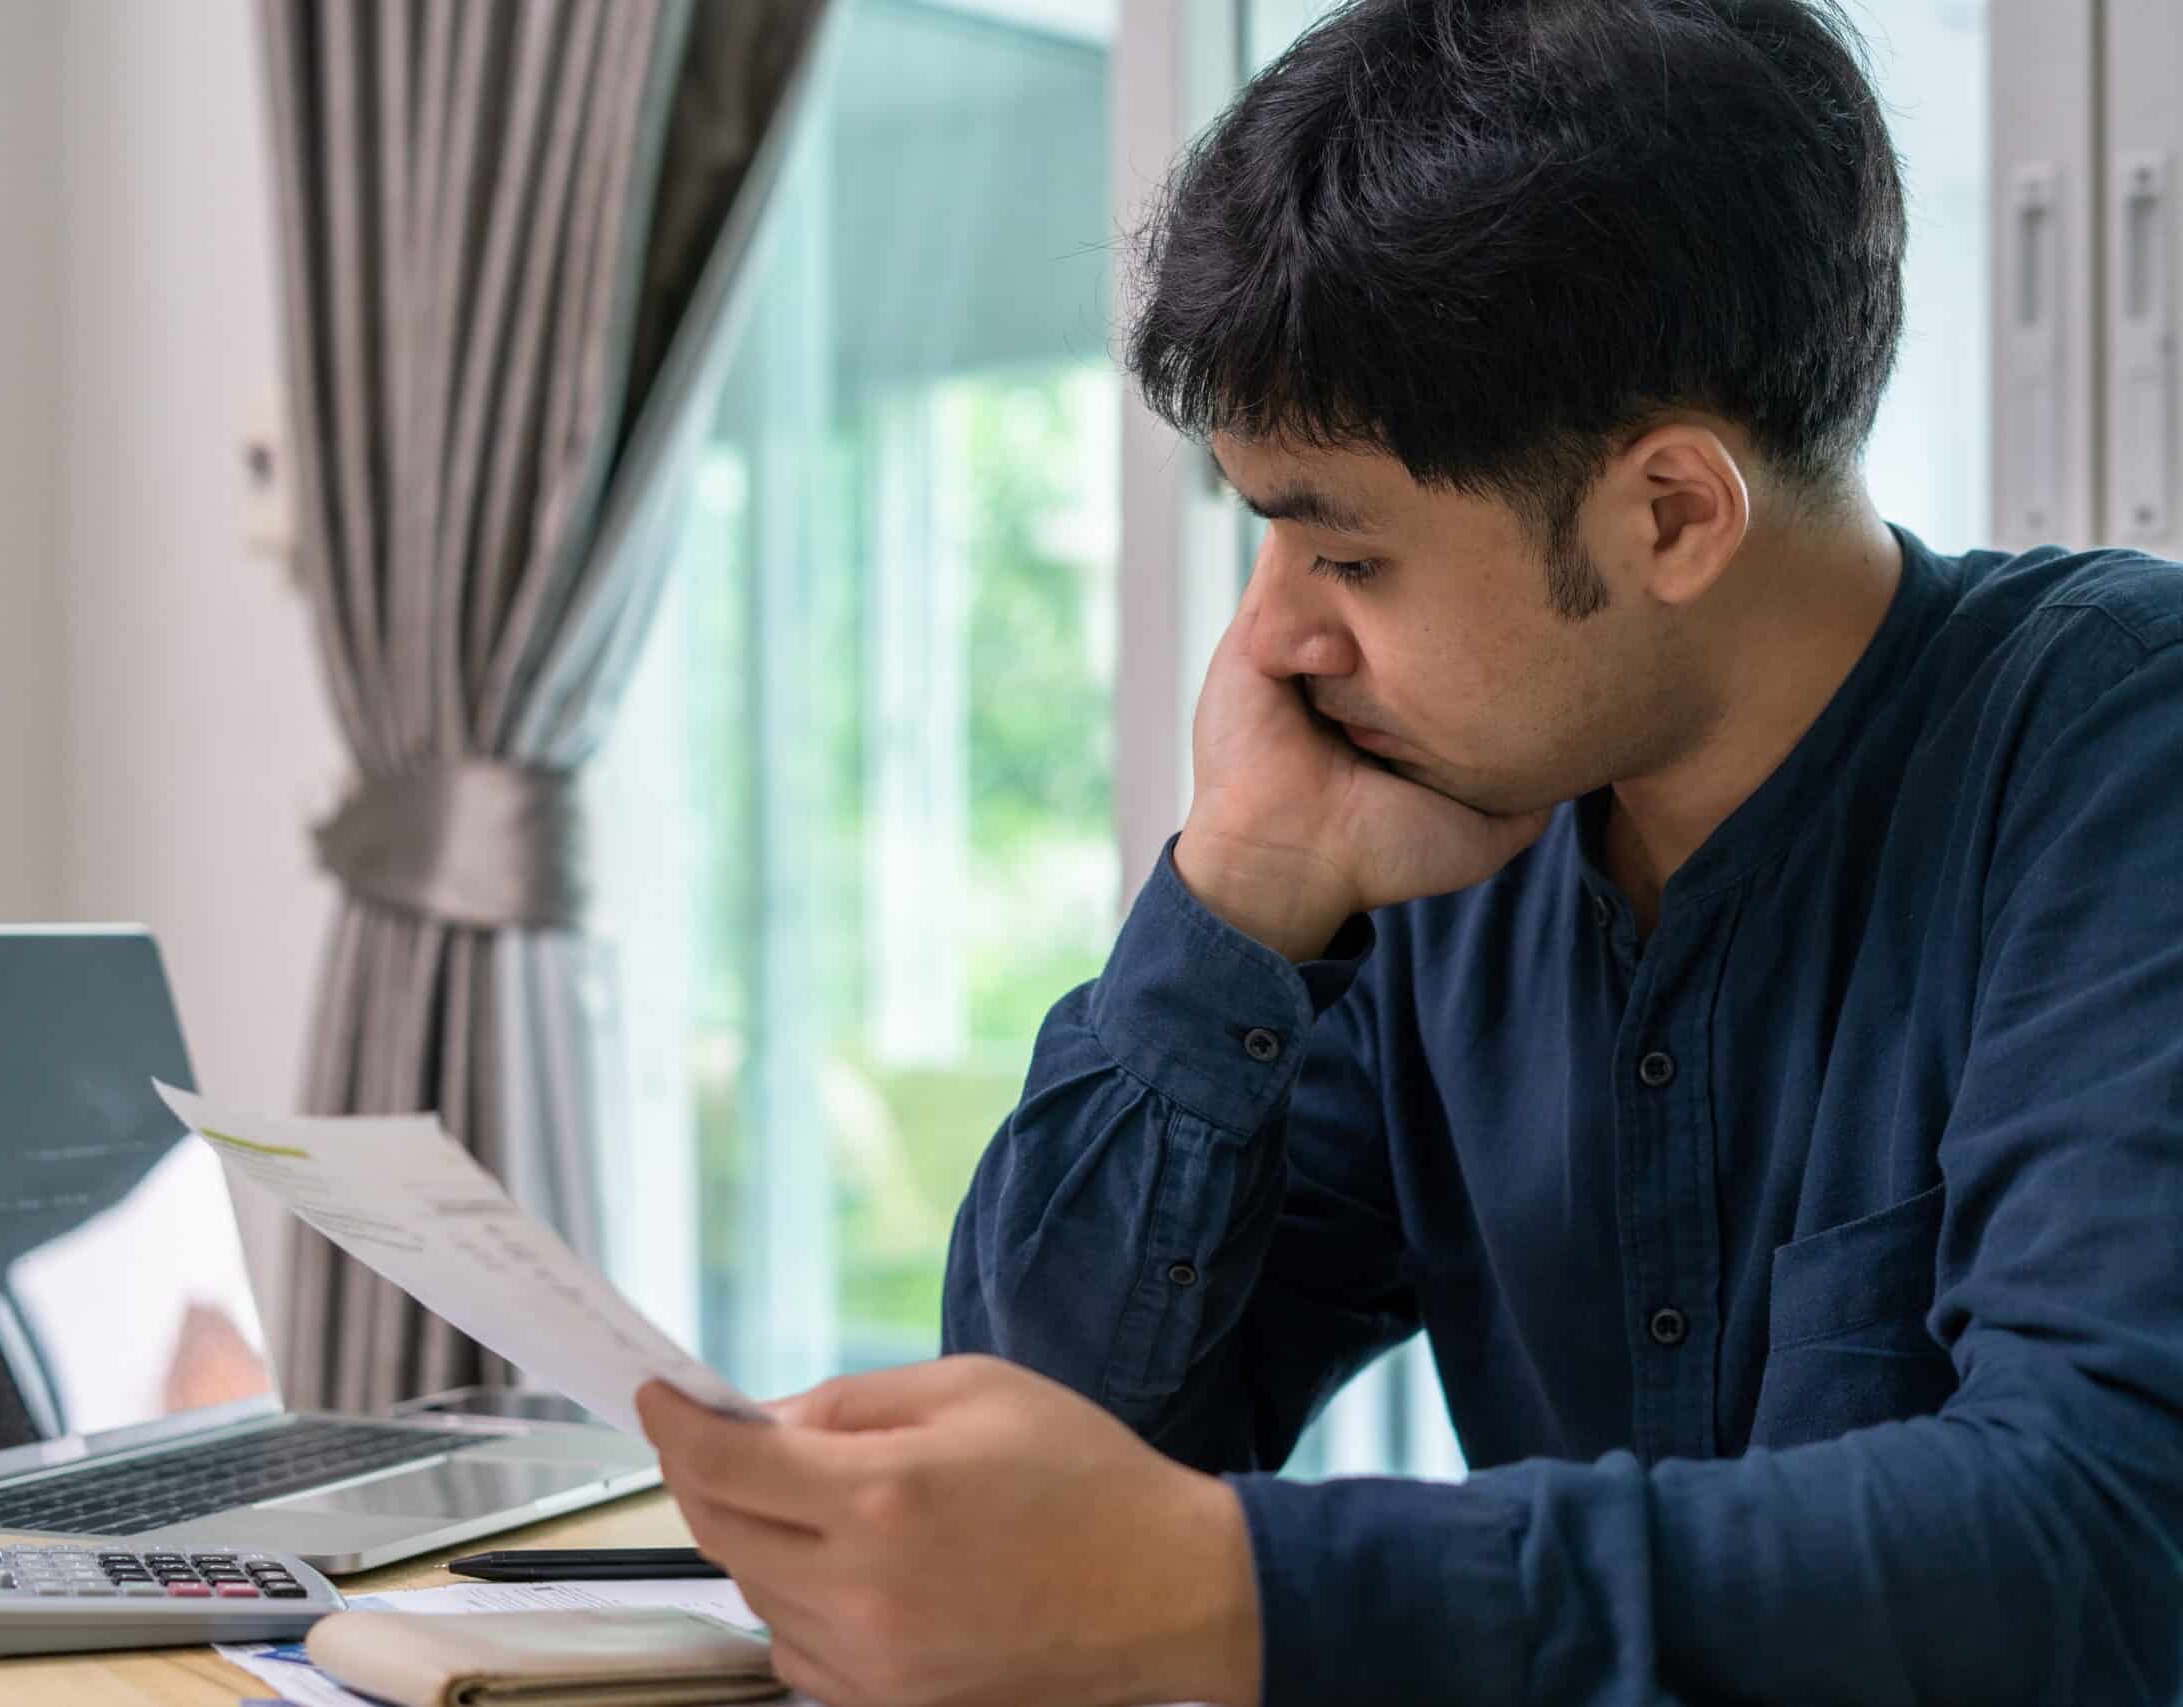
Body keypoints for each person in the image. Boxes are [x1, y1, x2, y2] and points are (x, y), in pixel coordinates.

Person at [636, 0, 2183, 1699]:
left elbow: (2100, 1538)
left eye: (1348, 558)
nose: (1273, 640)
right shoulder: (1446, 827)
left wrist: (1231, 1588)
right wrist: (1238, 892)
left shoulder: (2119, 746)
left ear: (1671, 512)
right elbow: (1046, 1450)